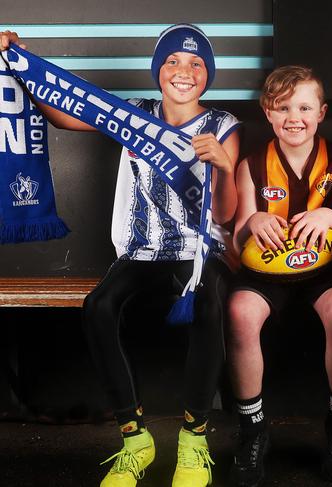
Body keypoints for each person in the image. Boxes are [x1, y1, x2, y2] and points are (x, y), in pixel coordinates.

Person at [1, 24, 240, 487]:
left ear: (207, 75)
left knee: (212, 303)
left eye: (196, 64)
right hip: (139, 252)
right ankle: (135, 439)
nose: (183, 71)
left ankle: (194, 439)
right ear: (157, 71)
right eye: (172, 61)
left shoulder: (222, 125)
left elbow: (227, 214)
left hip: (195, 253)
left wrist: (225, 167)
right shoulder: (133, 113)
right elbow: (64, 115)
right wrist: (20, 60)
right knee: (98, 306)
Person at [227, 65, 332, 486]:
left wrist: (330, 217)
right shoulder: (251, 163)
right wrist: (253, 223)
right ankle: (253, 429)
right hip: (267, 269)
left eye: (304, 107)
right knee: (239, 312)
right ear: (267, 112)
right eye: (283, 107)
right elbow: (235, 242)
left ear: (321, 112)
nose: (294, 116)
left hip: (325, 266)